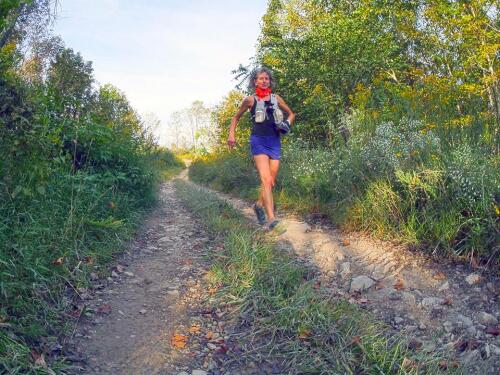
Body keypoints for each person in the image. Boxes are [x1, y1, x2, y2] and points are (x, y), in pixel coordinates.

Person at [227, 67, 295, 230]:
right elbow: (235, 117)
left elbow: (292, 114)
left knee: (271, 181)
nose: (264, 81)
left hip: (274, 141)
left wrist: (287, 124)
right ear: (254, 81)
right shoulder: (250, 100)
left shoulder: (276, 98)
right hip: (258, 141)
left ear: (269, 81)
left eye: (266, 78)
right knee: (265, 179)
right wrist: (231, 135)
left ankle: (258, 205)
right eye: (260, 78)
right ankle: (272, 218)